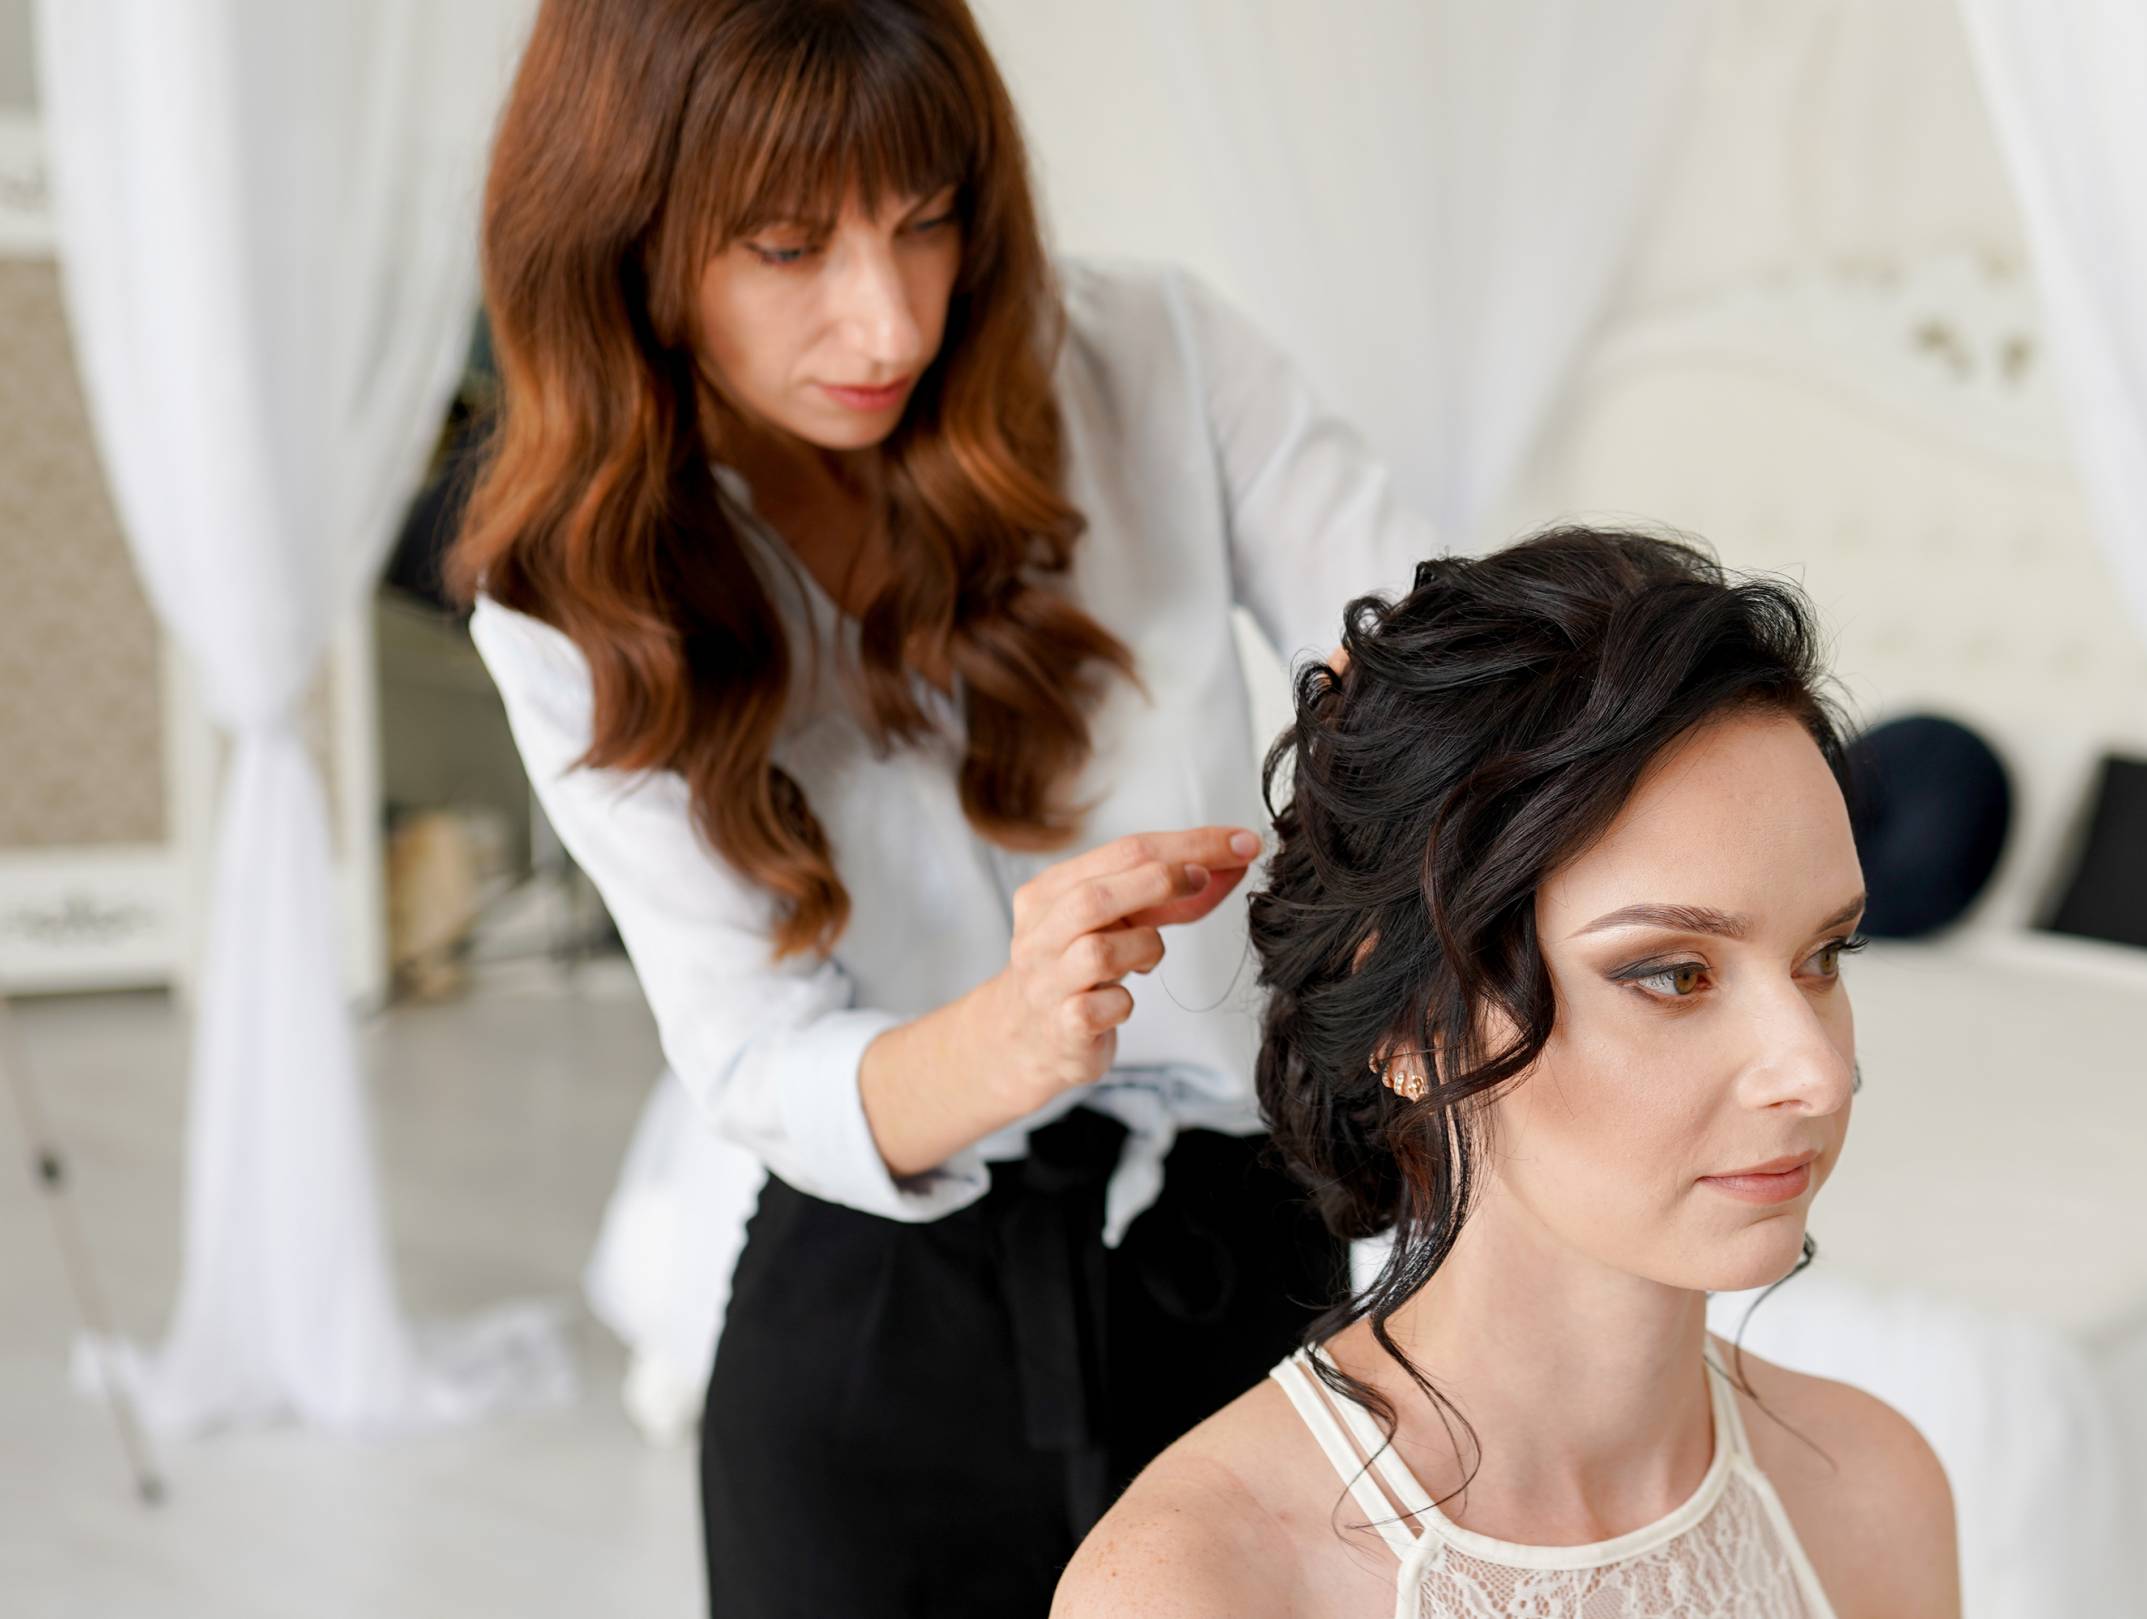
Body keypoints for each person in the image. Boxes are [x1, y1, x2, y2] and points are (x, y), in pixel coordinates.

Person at [450, 1, 1433, 1611]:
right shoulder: (570, 600)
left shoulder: (1155, 355)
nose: (890, 319)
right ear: (626, 241)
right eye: (786, 248)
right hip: (873, 1333)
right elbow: (759, 1051)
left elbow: (1439, 658)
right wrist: (1019, 1027)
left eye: (928, 222)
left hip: (1246, 1271)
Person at [1057, 529, 1962, 1618]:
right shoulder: (1198, 1583)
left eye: (1821, 956)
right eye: (1673, 974)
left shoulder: (1871, 1489)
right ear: (1409, 1021)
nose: (1814, 1073)